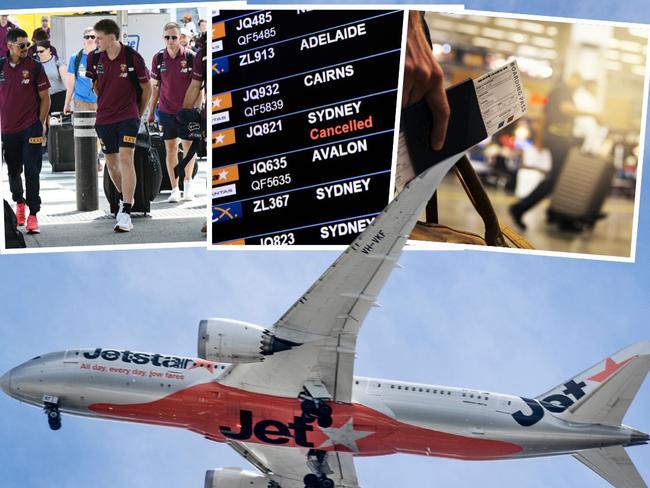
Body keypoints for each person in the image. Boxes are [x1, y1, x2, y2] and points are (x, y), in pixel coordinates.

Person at [85, 19, 151, 233]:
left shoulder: (133, 57)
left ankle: (127, 211)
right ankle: (124, 199)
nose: (95, 41)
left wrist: (137, 115)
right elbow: (94, 85)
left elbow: (146, 89)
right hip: (104, 118)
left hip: (128, 117)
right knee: (111, 163)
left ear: (112, 38)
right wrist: (105, 102)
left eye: (99, 37)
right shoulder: (93, 57)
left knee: (125, 158)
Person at [509, 72, 585, 230]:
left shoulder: (556, 91)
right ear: (575, 79)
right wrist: (594, 114)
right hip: (559, 140)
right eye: (579, 82)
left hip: (555, 139)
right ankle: (521, 208)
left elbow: (543, 115)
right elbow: (566, 109)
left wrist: (540, 138)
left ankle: (554, 214)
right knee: (557, 178)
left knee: (560, 178)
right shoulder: (564, 90)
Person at [0, 28, 51, 234]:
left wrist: (40, 124)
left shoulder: (35, 67)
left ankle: (33, 214)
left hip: (31, 128)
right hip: (8, 130)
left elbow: (45, 97)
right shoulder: (1, 67)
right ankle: (19, 202)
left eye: (27, 45)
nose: (26, 49)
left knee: (32, 171)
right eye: (21, 46)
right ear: (10, 46)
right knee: (13, 172)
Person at [147, 22, 197, 202]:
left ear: (180, 37)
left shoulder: (191, 57)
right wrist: (151, 112)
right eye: (167, 37)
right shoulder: (158, 58)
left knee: (189, 147)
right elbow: (155, 88)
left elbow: (198, 87)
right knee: (171, 148)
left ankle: (189, 184)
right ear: (163, 38)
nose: (170, 41)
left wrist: (194, 110)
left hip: (187, 111)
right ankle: (175, 188)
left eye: (174, 37)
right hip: (166, 111)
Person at [63, 27, 98, 114]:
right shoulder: (75, 58)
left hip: (100, 102)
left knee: (101, 128)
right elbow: (71, 84)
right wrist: (67, 103)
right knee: (83, 128)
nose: (90, 39)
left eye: (92, 37)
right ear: (84, 40)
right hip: (81, 102)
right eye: (87, 37)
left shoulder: (103, 56)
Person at [35, 41, 67, 114]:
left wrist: (69, 100)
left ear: (48, 50)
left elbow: (66, 80)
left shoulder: (58, 61)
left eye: (41, 51)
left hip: (58, 97)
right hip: (42, 98)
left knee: (57, 123)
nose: (39, 54)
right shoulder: (36, 64)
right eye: (37, 52)